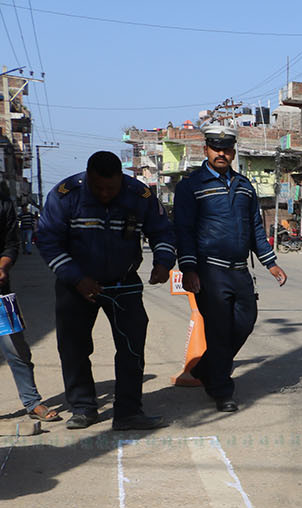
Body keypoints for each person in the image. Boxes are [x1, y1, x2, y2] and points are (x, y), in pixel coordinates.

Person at [36, 151, 176, 430]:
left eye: (110, 189)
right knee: (74, 348)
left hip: (124, 283)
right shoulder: (65, 196)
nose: (104, 194)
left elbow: (162, 232)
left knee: (132, 347)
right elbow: (47, 240)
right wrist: (76, 278)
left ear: (121, 181)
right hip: (75, 286)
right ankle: (83, 407)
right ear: (88, 176)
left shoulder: (139, 195)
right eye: (97, 187)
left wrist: (163, 262)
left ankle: (128, 411)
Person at [172, 123, 288, 413]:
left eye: (226, 149)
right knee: (219, 331)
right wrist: (189, 268)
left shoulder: (245, 187)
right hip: (209, 270)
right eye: (216, 148)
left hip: (239, 270)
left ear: (233, 152)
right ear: (206, 150)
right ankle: (222, 389)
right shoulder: (191, 186)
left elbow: (255, 229)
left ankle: (205, 368)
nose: (221, 153)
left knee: (246, 322)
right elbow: (183, 230)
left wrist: (270, 262)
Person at [0, 186, 58, 422]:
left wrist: (3, 267)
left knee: (17, 349)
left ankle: (32, 402)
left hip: (2, 293)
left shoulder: (3, 205)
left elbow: (10, 245)